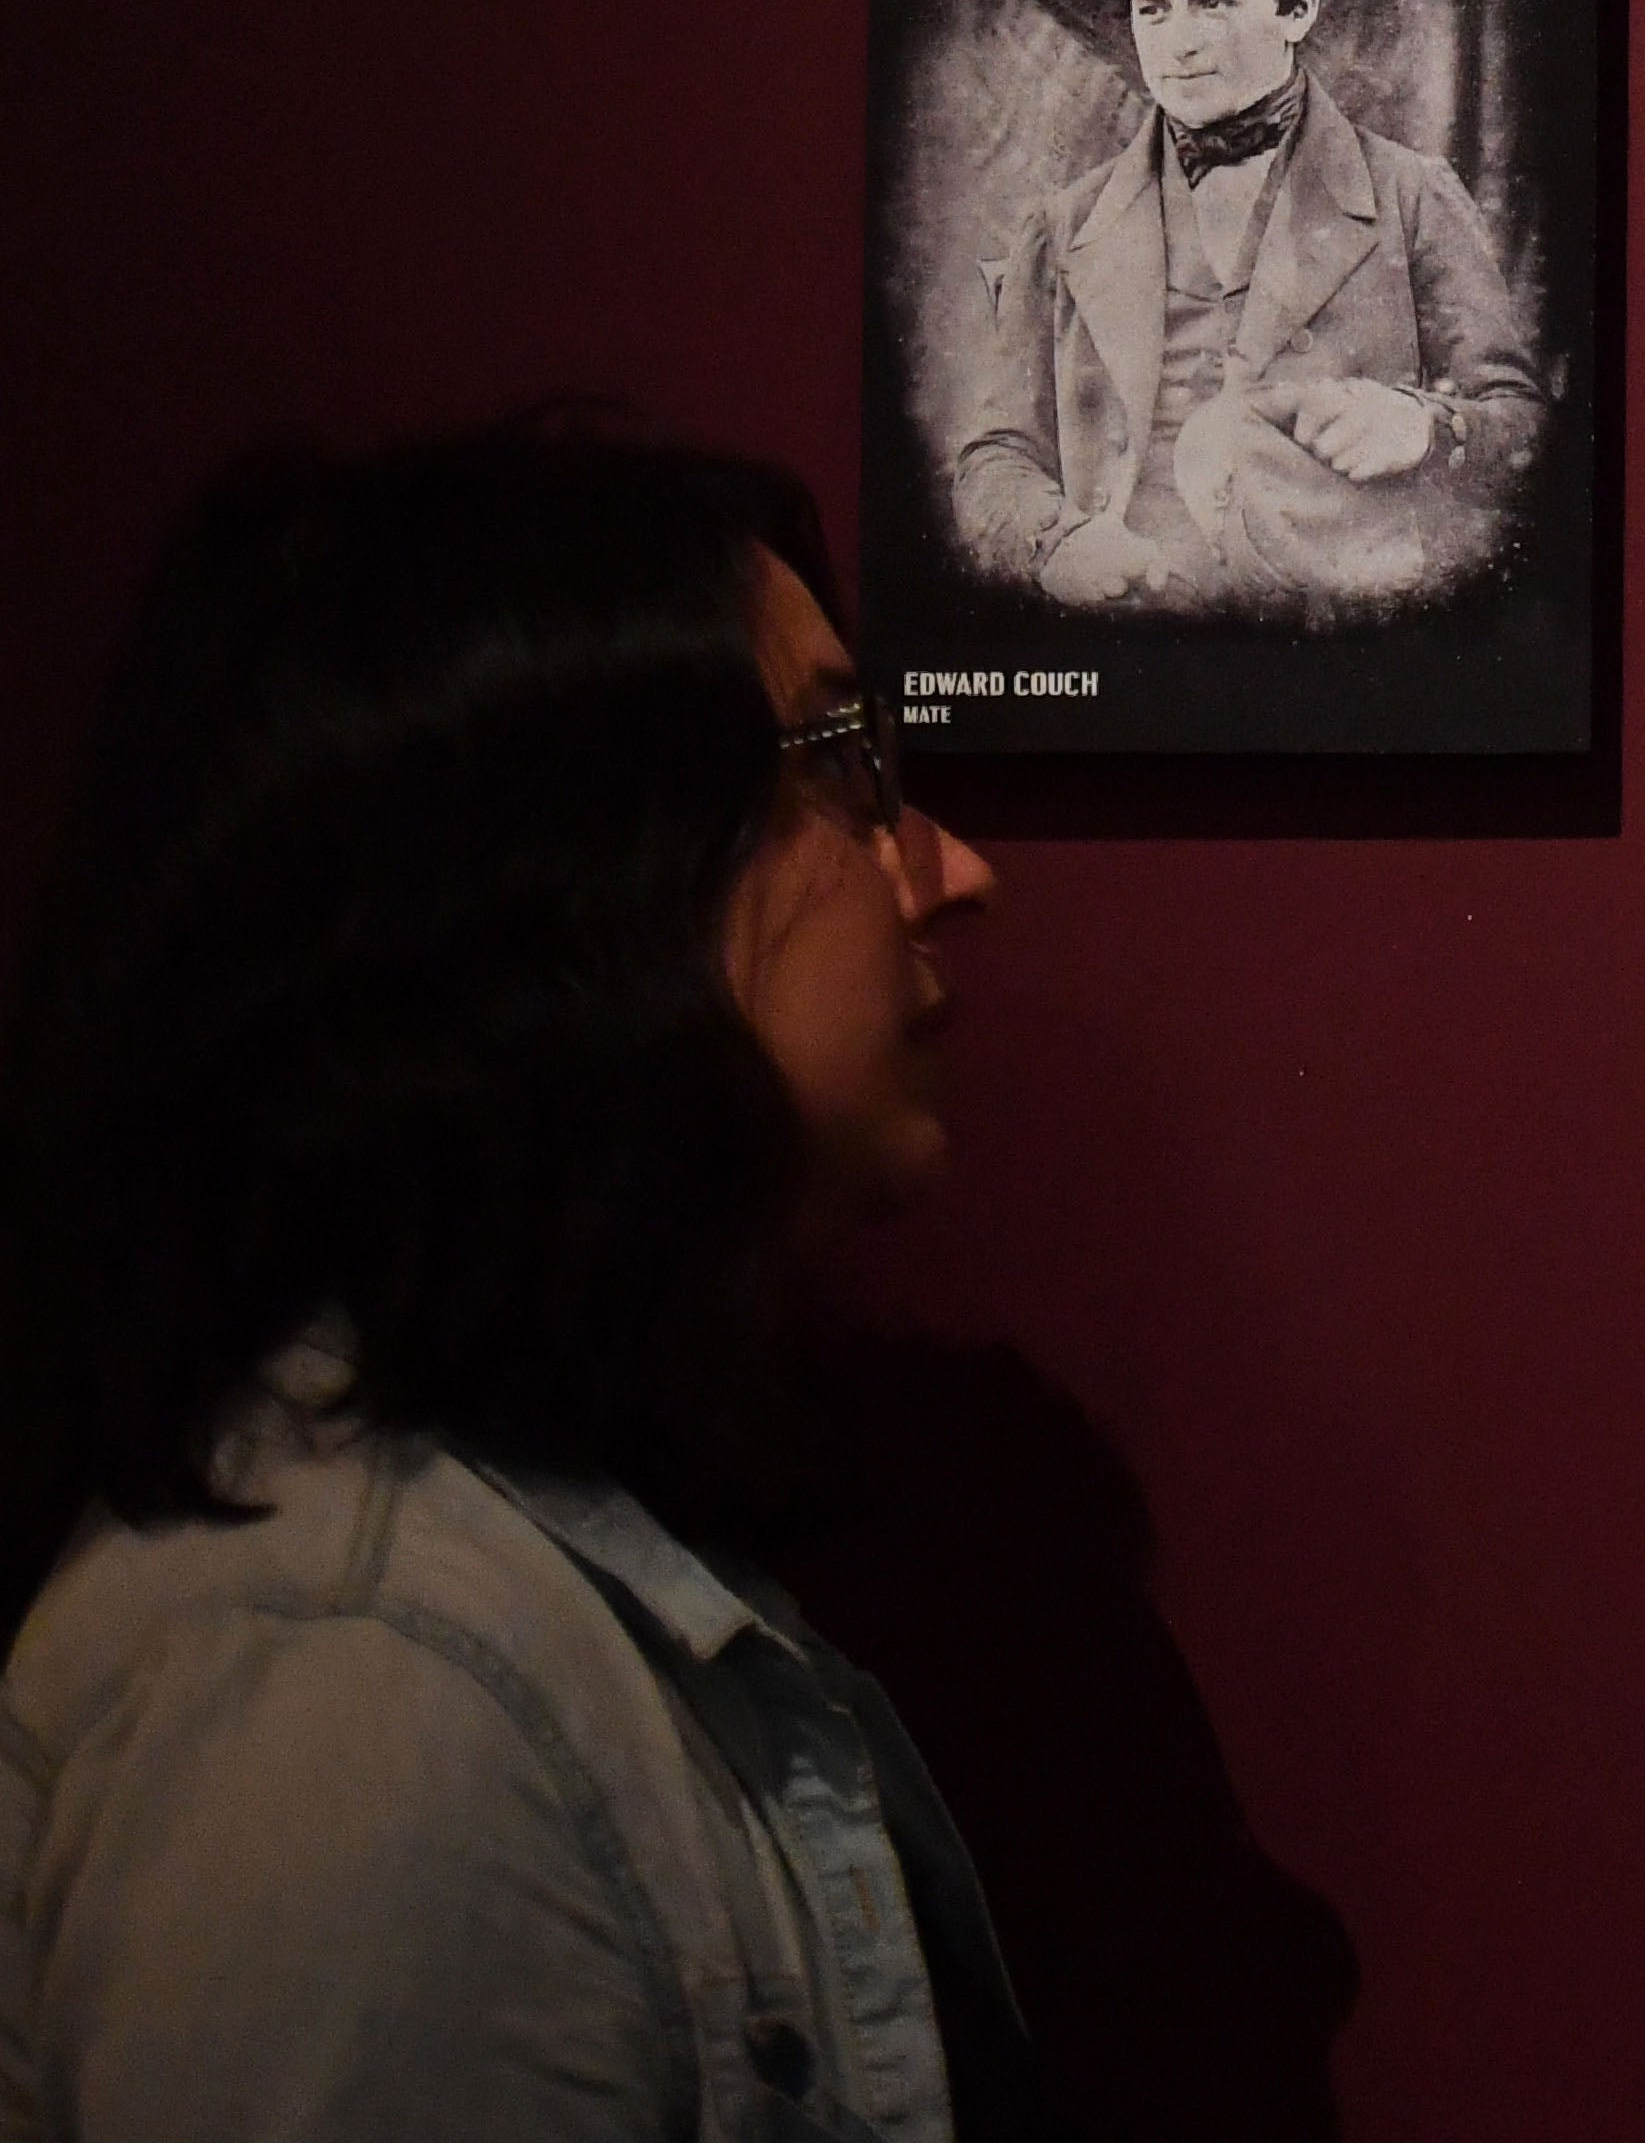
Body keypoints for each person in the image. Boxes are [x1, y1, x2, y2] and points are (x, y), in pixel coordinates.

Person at [1, 422, 1036, 2132]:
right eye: (842, 758)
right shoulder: (371, 1701)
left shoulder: (491, 1583)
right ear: (581, 878)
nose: (954, 867)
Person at [943, 0, 1544, 621]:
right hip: (1125, 630)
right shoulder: (1064, 226)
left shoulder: (1411, 195)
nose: (1178, 42)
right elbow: (993, 457)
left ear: (1298, 10)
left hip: (1332, 635)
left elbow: (1524, 431)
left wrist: (1423, 429)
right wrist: (1057, 544)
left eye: (1213, 3)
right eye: (1152, 11)